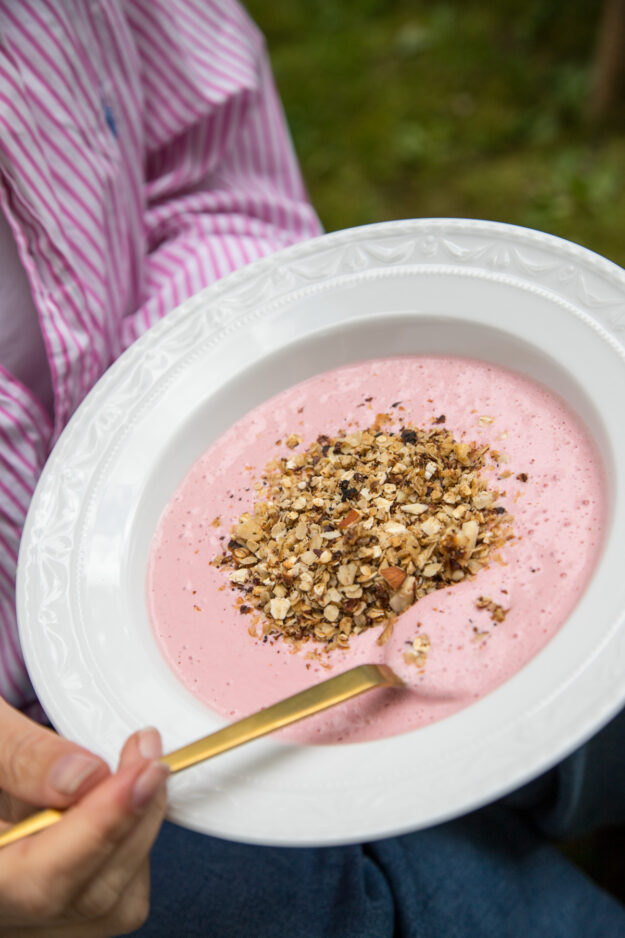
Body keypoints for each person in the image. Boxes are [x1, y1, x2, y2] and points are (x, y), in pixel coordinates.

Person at [0, 2, 624, 935]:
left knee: (585, 702)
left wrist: (199, 381)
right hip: (66, 781)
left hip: (217, 497)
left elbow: (207, 168)